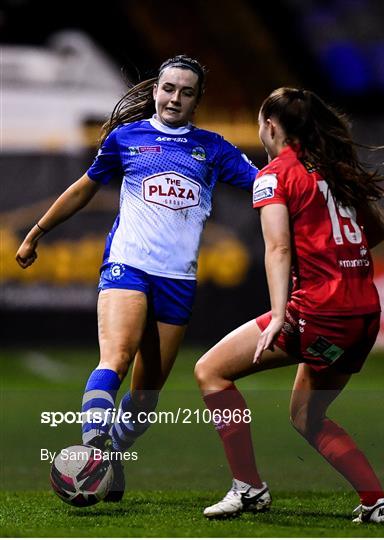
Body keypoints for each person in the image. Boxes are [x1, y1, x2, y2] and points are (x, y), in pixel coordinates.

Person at [16, 54, 258, 501]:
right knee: (116, 358)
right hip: (127, 266)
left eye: (186, 92)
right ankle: (94, 451)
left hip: (177, 281)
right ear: (154, 91)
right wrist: (36, 232)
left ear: (197, 99)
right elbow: (84, 188)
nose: (175, 98)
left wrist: (307, 186)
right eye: (169, 88)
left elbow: (264, 188)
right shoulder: (127, 139)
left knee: (145, 403)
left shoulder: (215, 148)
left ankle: (114, 453)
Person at [194, 87, 384, 523]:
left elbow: (278, 249)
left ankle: (248, 488)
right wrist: (338, 257)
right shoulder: (337, 169)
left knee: (210, 371)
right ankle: (374, 501)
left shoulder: (275, 174)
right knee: (307, 416)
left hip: (317, 314)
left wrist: (281, 314)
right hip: (362, 317)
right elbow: (382, 226)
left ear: (269, 126)